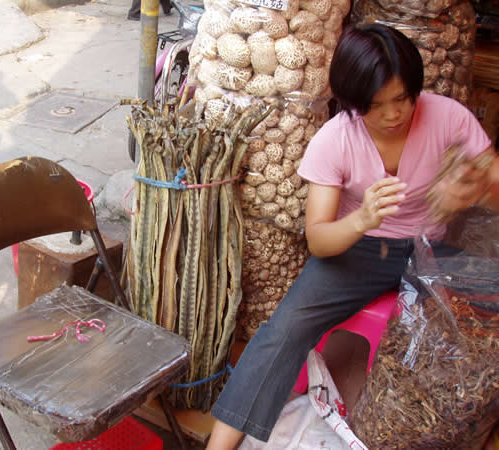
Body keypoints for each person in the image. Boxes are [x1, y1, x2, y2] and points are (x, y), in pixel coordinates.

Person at [206, 23, 499, 449]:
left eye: (402, 99)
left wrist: (477, 187)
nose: (393, 115)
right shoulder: (335, 140)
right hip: (357, 251)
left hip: (432, 250)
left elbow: (493, 182)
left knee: (481, 322)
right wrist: (362, 218)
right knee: (285, 329)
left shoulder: (448, 117)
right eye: (375, 106)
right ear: (352, 102)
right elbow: (319, 239)